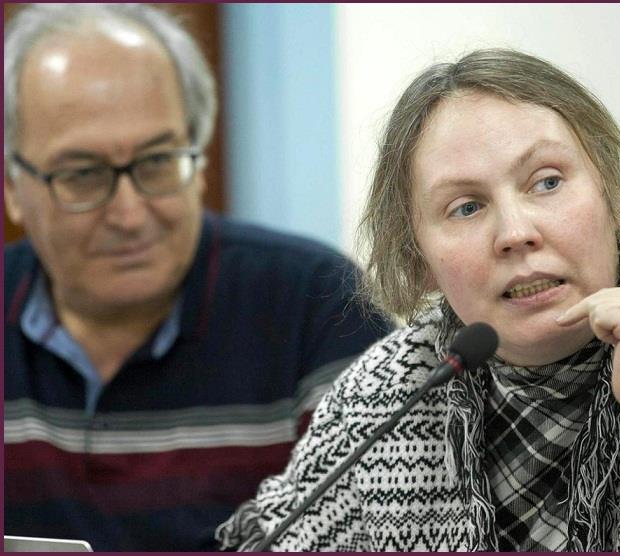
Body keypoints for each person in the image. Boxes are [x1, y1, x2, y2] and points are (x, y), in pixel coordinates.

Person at [217, 48, 620, 551]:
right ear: (419, 257)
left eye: (547, 182)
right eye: (466, 208)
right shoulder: (390, 396)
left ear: (610, 192)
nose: (515, 232)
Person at [3, 4, 393, 551]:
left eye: (158, 161)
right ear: (13, 188)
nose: (129, 214)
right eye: (83, 175)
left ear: (200, 160)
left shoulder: (319, 309)